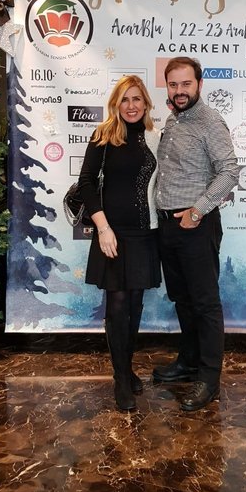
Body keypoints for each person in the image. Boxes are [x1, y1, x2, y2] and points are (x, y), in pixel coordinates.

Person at [153, 57, 238, 412]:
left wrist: (197, 210)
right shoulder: (173, 120)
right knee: (182, 299)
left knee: (204, 304)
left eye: (186, 84)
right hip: (168, 226)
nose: (179, 90)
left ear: (199, 85)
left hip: (196, 226)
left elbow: (229, 172)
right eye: (173, 84)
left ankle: (208, 378)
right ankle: (188, 362)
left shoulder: (210, 121)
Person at [79, 75, 161, 412]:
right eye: (125, 99)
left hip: (145, 233)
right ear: (115, 104)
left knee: (135, 305)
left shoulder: (155, 137)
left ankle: (127, 368)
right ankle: (120, 379)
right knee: (116, 306)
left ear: (146, 103)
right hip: (112, 232)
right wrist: (103, 228)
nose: (131, 105)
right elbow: (86, 183)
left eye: (137, 99)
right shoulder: (103, 135)